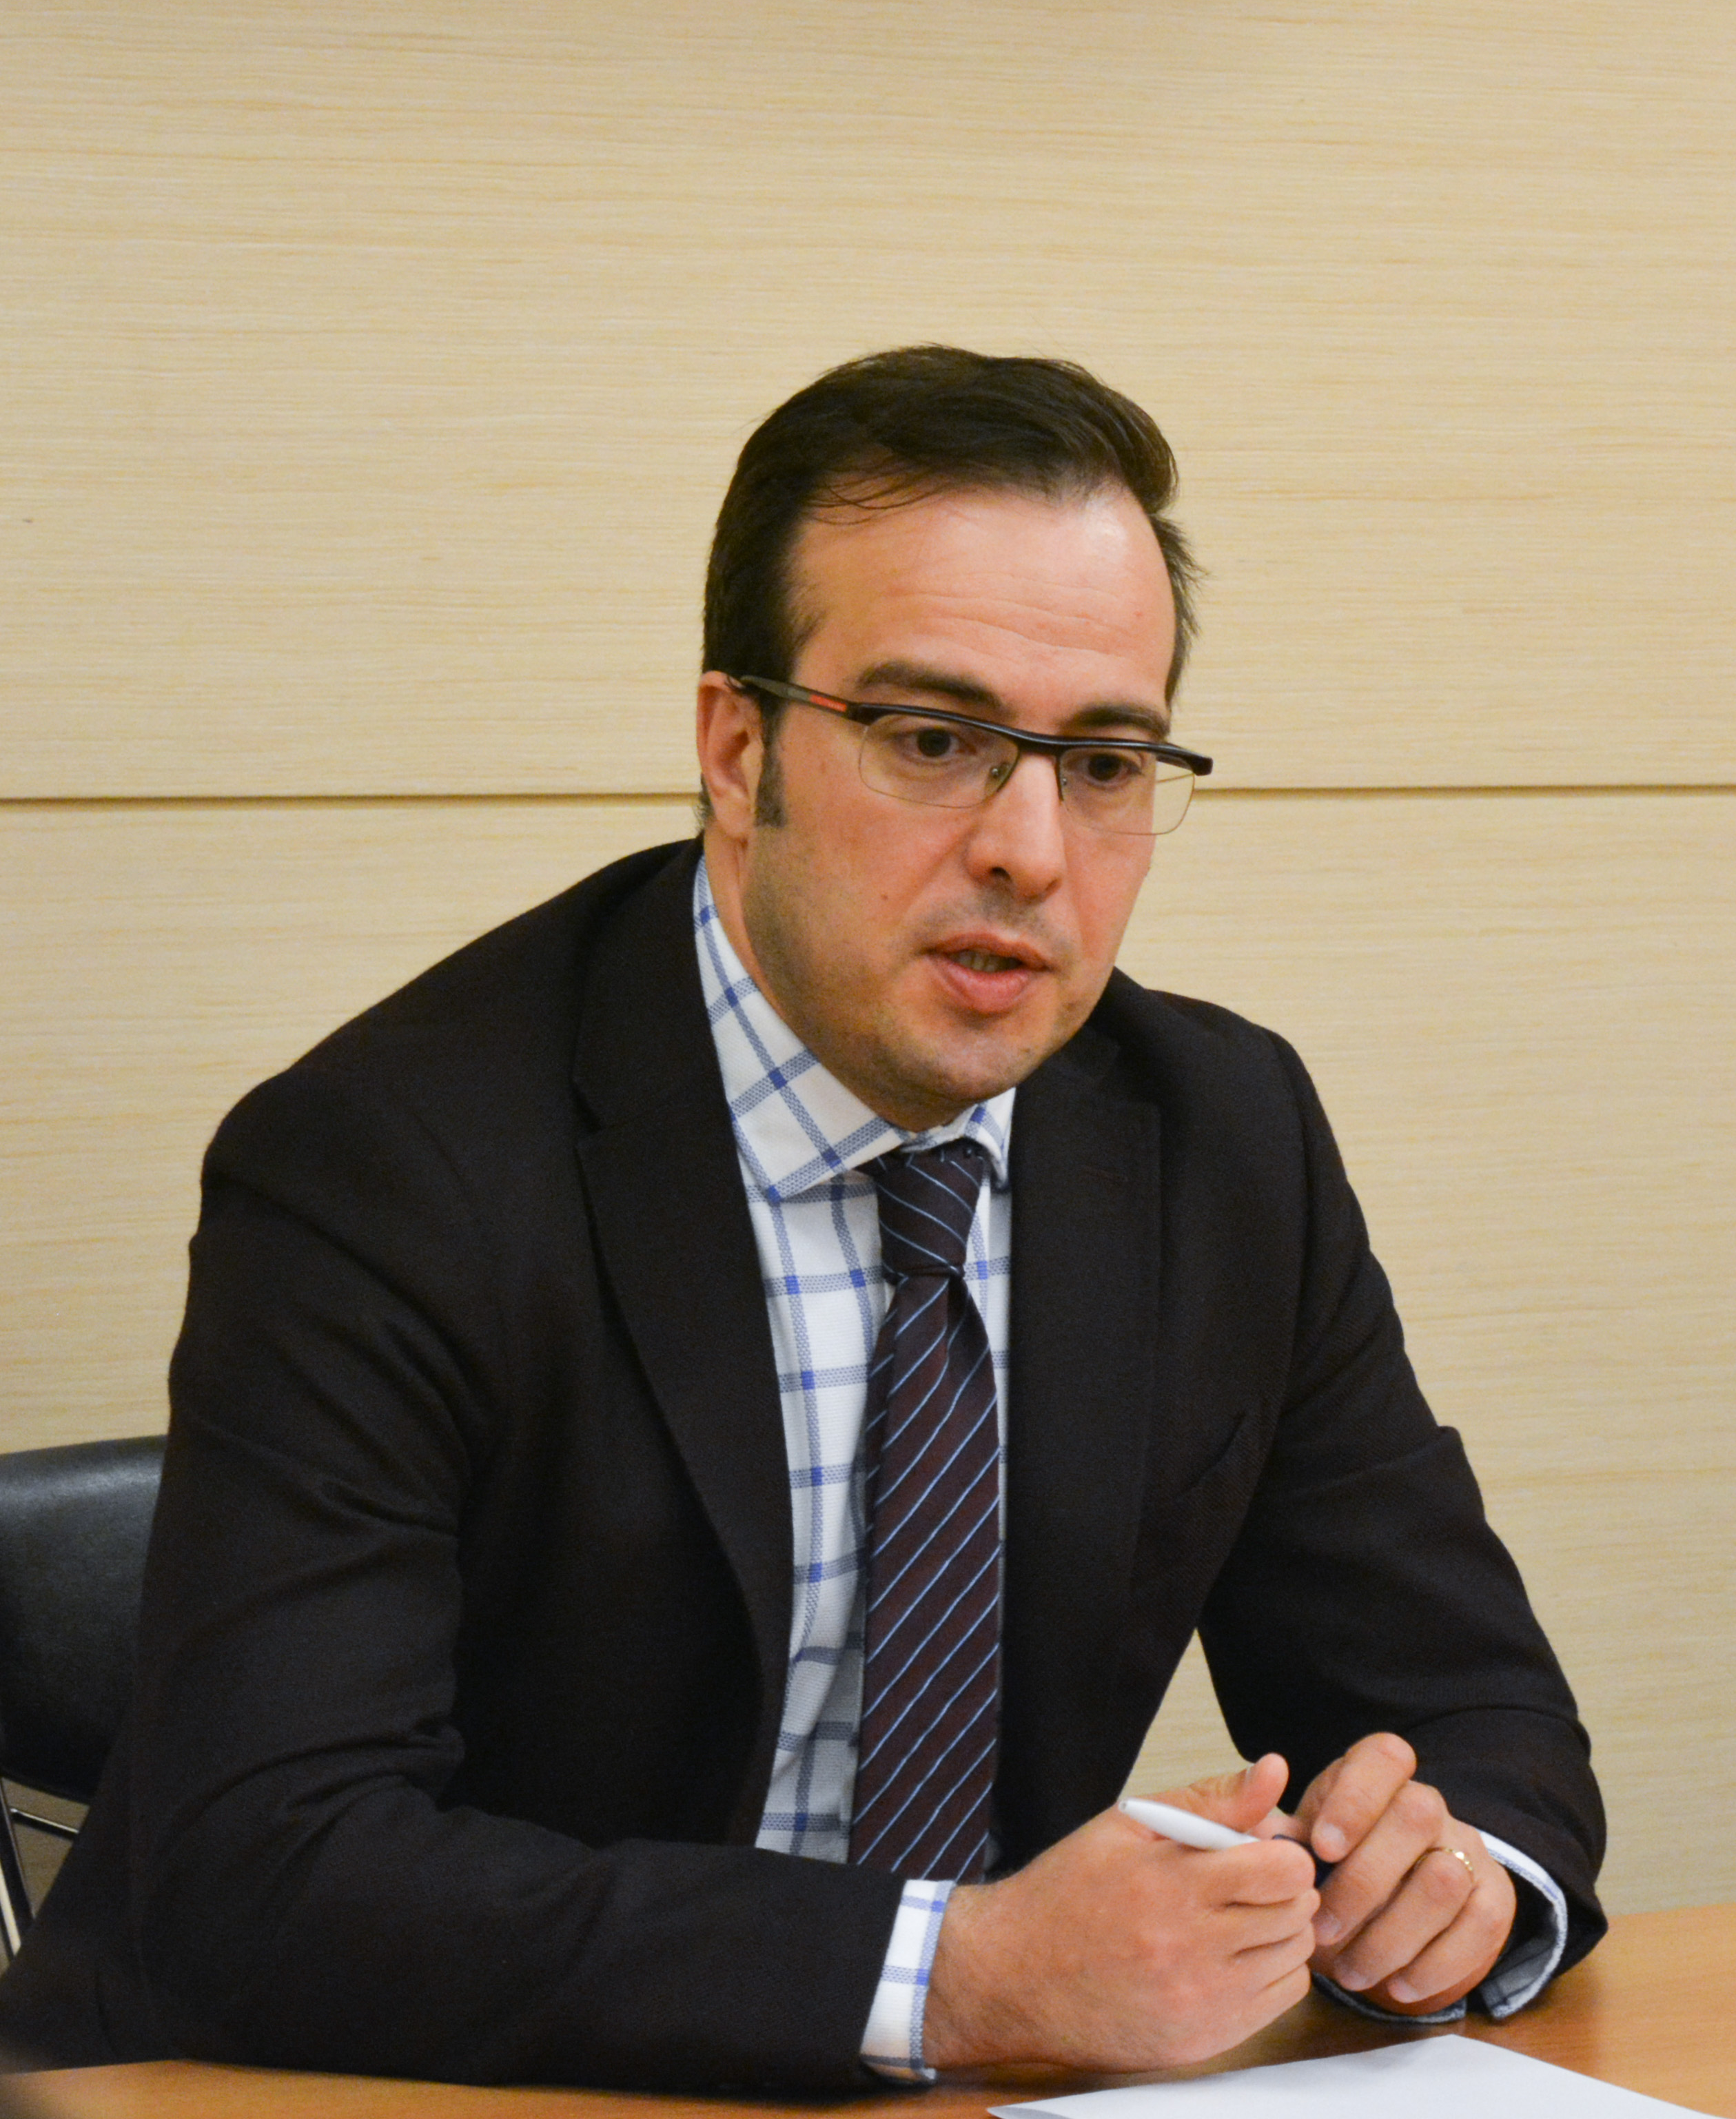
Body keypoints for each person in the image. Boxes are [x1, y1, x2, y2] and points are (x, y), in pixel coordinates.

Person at [0, 347, 1604, 2089]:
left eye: (1105, 763)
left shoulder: (1226, 1139)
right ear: (736, 747)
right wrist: (953, 1975)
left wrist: (1453, 1878)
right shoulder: (387, 1167)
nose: (1033, 850)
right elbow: (277, 1878)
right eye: (937, 740)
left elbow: (1473, 1713)